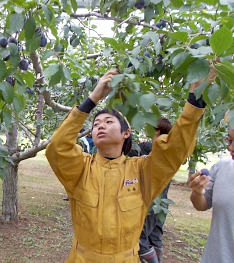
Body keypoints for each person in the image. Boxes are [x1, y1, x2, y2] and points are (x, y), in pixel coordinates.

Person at [45, 68, 210, 263]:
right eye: (96, 124)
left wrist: (195, 100)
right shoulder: (81, 169)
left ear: (126, 133)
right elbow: (57, 148)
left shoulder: (142, 171)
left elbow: (175, 150)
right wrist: (94, 97)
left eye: (108, 121)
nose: (100, 126)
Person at [188, 110, 234, 263]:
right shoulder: (221, 168)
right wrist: (198, 192)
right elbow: (201, 205)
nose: (231, 148)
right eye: (230, 140)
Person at [128, 118, 173, 263]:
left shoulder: (152, 148)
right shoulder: (169, 149)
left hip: (152, 202)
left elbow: (128, 152)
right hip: (161, 204)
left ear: (157, 130)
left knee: (140, 238)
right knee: (154, 236)